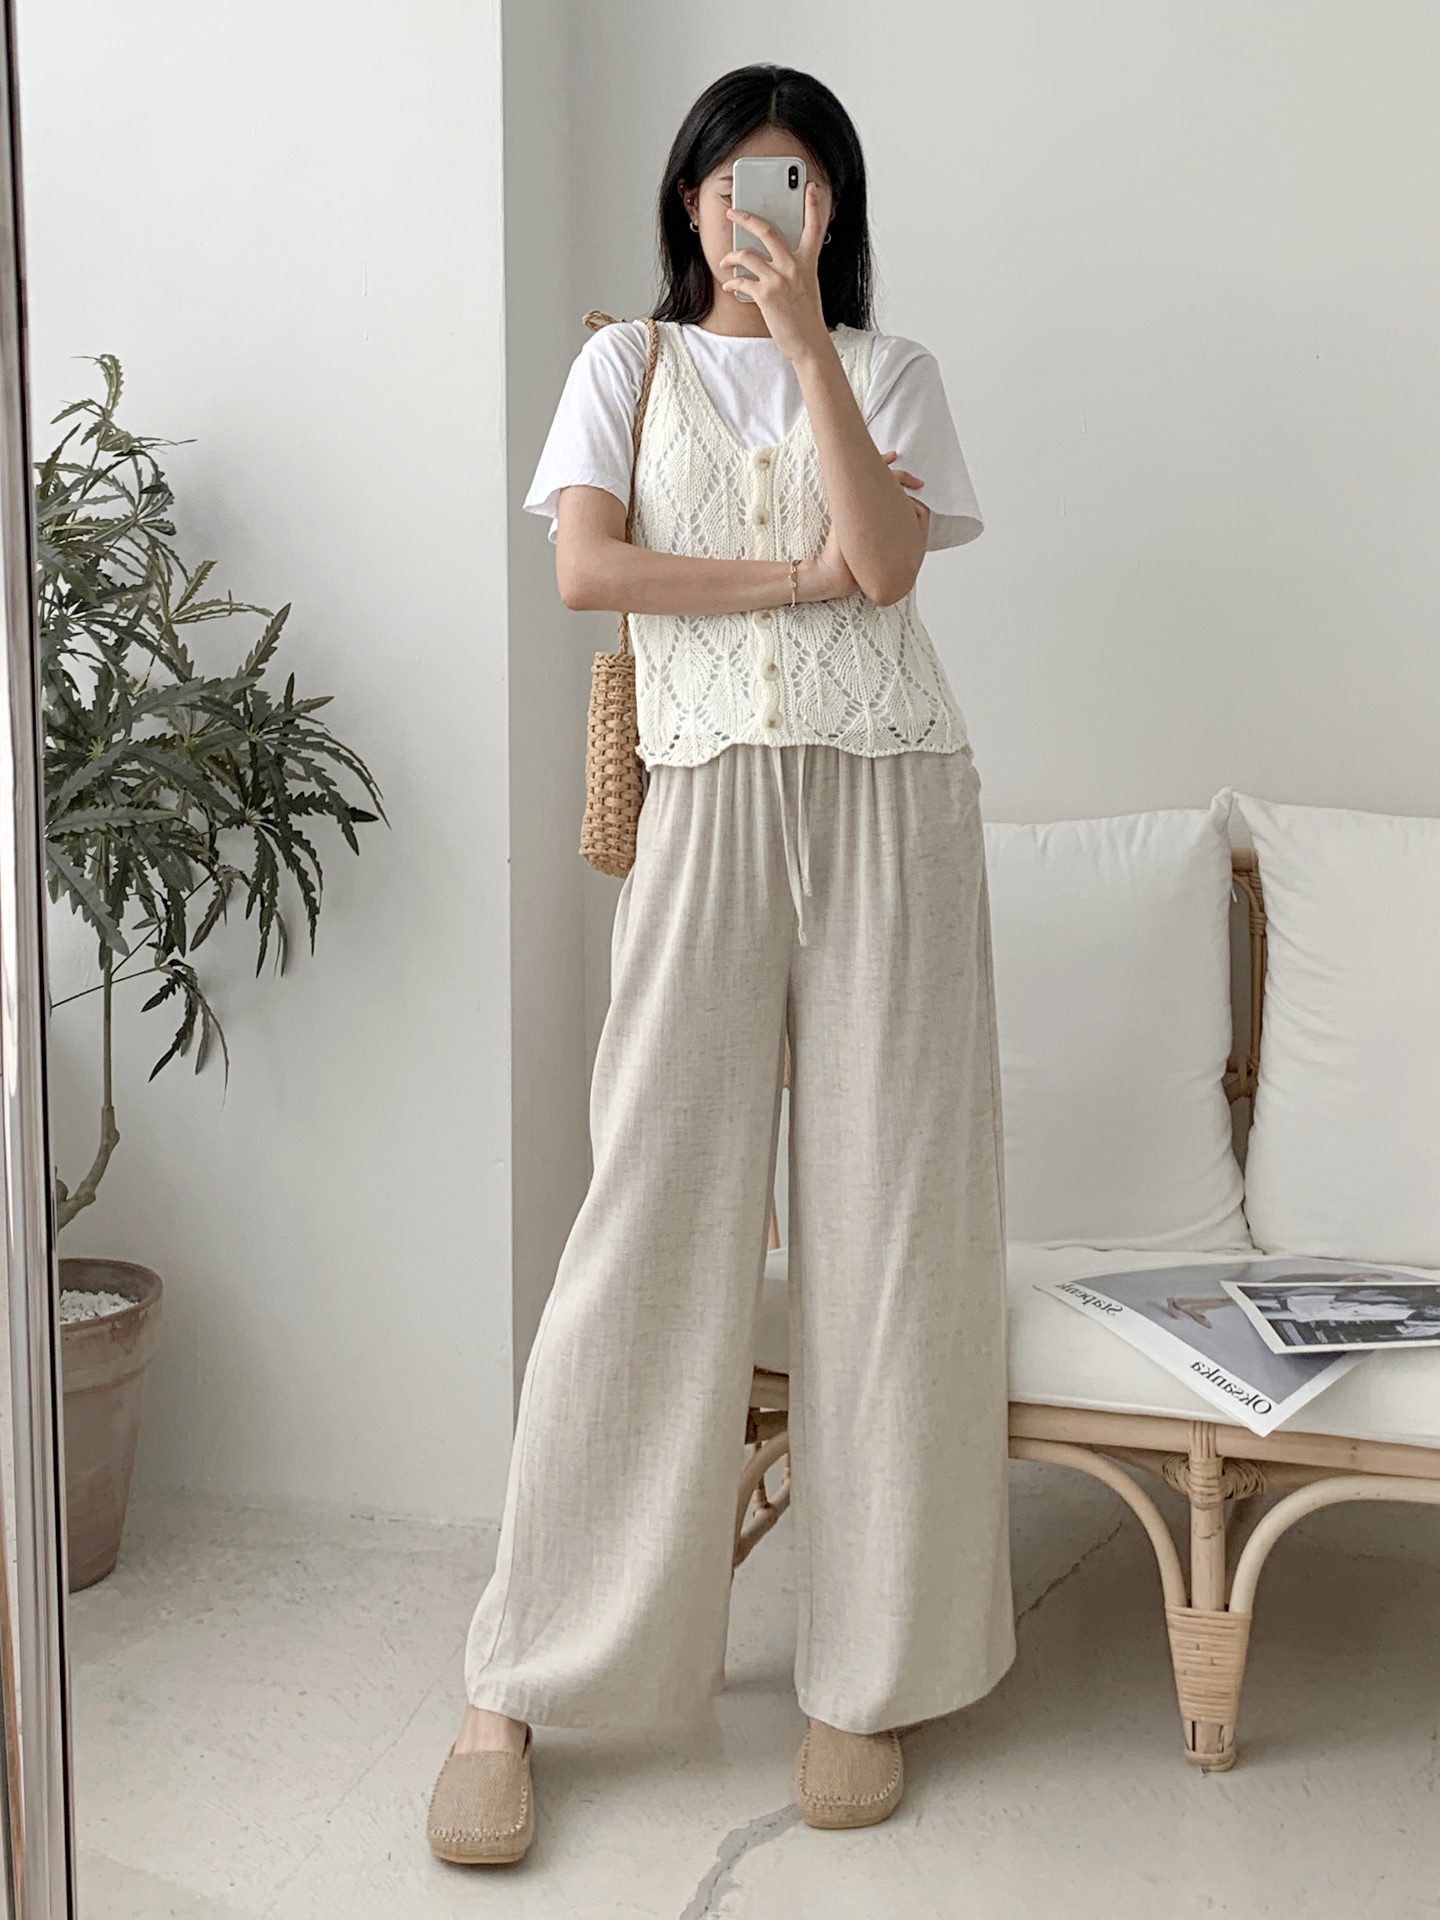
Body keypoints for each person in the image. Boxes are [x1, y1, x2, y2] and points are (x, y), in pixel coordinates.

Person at [426, 63, 1014, 1868]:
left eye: (797, 183)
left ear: (832, 209)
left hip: (893, 799)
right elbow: (588, 573)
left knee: (889, 1228)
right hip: (699, 798)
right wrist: (787, 582)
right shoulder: (622, 367)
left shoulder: (891, 369)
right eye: (733, 180)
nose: (760, 209)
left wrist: (814, 343)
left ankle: (868, 1673)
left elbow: (891, 569)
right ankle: (514, 1680)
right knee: (646, 1220)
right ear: (688, 199)